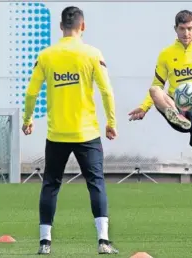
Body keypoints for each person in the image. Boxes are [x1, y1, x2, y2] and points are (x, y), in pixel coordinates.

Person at [22, 6, 119, 255]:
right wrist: (111, 122)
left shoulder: (46, 55)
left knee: (51, 185)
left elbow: (32, 92)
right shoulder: (92, 54)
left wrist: (28, 118)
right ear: (82, 26)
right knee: (96, 183)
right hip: (87, 134)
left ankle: (45, 243)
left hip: (56, 134)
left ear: (60, 27)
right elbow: (107, 91)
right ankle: (103, 242)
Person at [128, 10, 192, 239]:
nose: (186, 33)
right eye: (182, 29)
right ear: (175, 29)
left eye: (190, 28)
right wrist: (144, 108)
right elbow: (156, 84)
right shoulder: (166, 55)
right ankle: (179, 119)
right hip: (177, 106)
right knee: (155, 91)